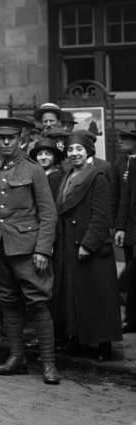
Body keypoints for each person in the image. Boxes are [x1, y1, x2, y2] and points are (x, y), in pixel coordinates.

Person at [0, 117, 59, 385]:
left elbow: (48, 214)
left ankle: (48, 363)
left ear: (21, 139)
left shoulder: (33, 170)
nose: (7, 142)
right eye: (2, 138)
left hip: (27, 248)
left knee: (37, 302)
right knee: (8, 301)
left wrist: (43, 250)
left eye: (12, 138)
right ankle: (16, 358)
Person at [53, 131, 122, 361]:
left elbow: (102, 215)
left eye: (79, 150)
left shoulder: (98, 176)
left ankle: (104, 346)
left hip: (90, 247)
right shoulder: (67, 176)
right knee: (74, 297)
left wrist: (88, 244)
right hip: (69, 244)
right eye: (70, 150)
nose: (74, 154)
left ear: (88, 152)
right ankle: (77, 340)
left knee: (98, 296)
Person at [114, 126, 136, 332]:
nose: (121, 141)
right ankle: (131, 319)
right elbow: (124, 199)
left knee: (130, 274)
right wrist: (120, 227)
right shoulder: (126, 163)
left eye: (126, 138)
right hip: (131, 229)